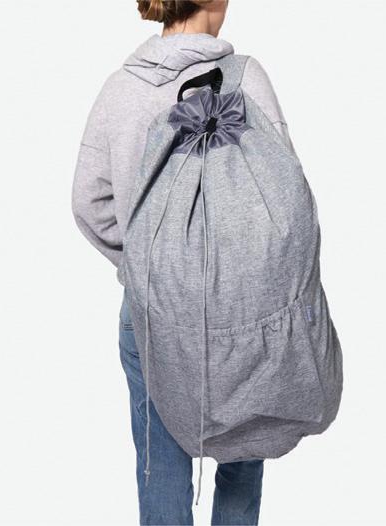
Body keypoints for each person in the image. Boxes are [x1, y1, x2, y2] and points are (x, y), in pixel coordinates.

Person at [72, 1, 296, 524]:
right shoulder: (245, 79)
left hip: (150, 311)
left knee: (161, 464)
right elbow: (285, 199)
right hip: (241, 312)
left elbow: (88, 202)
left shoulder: (119, 89)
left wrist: (144, 266)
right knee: (244, 449)